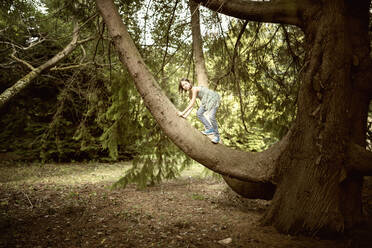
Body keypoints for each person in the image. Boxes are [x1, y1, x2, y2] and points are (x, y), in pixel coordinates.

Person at [177, 78, 221, 144]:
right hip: (205, 102)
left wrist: (182, 112)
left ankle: (217, 136)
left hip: (212, 99)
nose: (185, 86)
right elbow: (192, 106)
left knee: (211, 117)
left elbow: (192, 103)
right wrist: (185, 115)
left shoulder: (194, 89)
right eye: (183, 85)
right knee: (199, 113)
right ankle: (209, 129)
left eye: (186, 83)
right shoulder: (190, 94)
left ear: (189, 82)